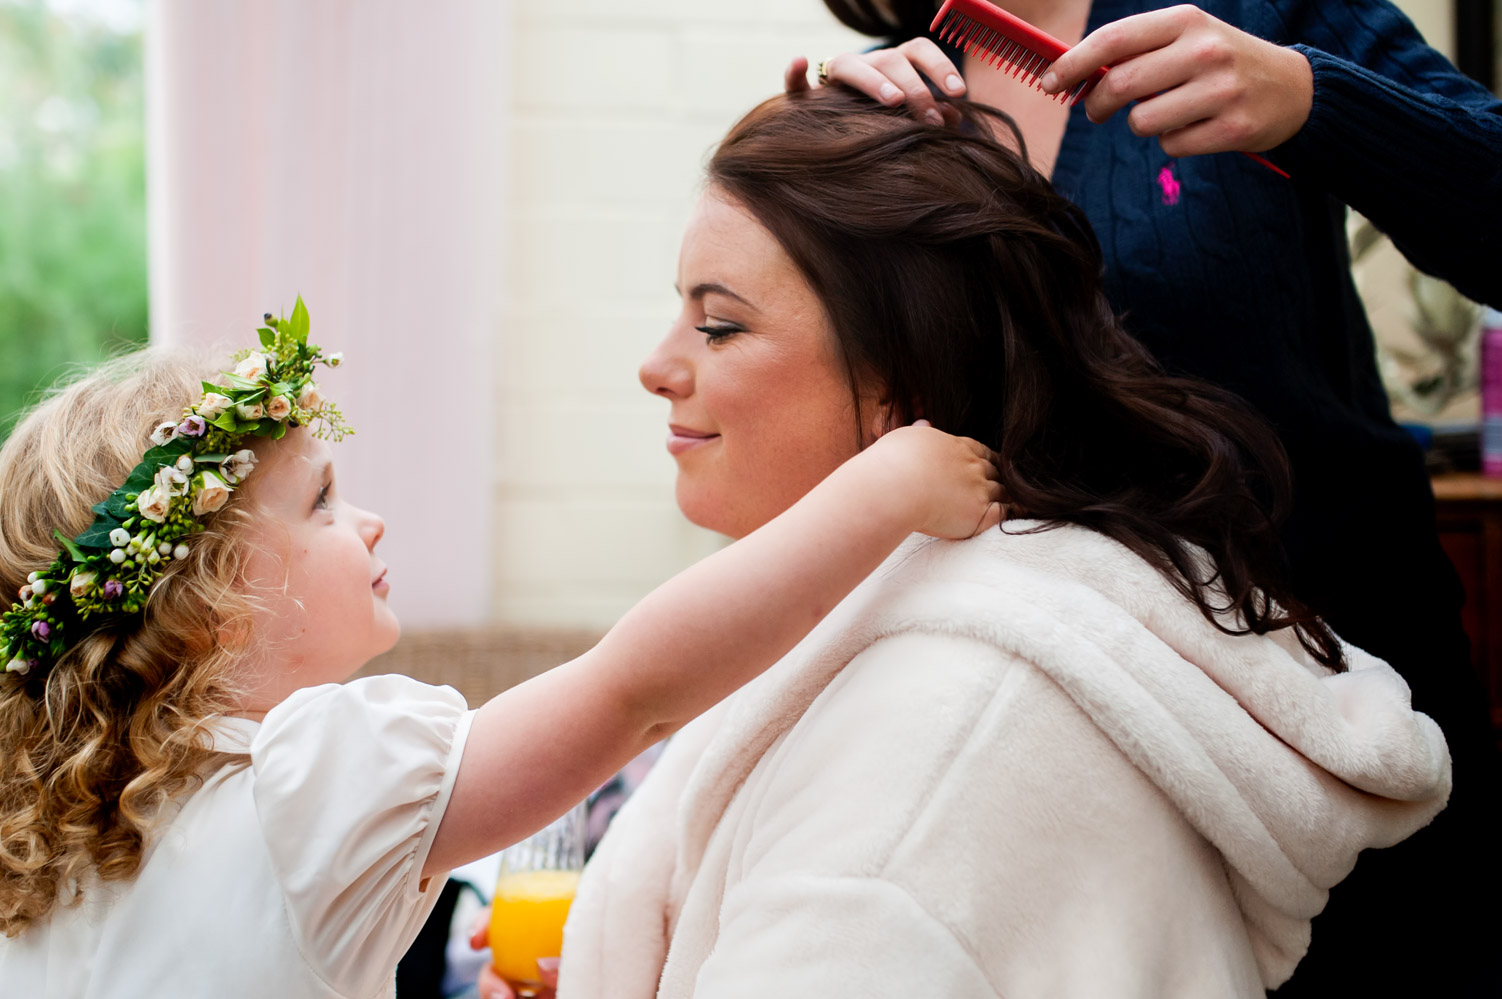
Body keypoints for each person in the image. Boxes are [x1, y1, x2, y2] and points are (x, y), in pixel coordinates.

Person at [539, 88, 1452, 998]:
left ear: (901, 376)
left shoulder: (925, 767)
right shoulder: (935, 631)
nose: (657, 367)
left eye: (719, 325)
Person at [792, 2, 1501, 992]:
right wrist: (804, 193)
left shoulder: (1261, 14)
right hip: (1057, 750)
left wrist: (1309, 99)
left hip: (1347, 707)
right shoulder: (891, 94)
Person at [0, 306, 1005, 996]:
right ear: (211, 610)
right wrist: (881, 493)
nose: (370, 522)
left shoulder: (39, 862)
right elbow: (634, 690)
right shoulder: (303, 788)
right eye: (320, 503)